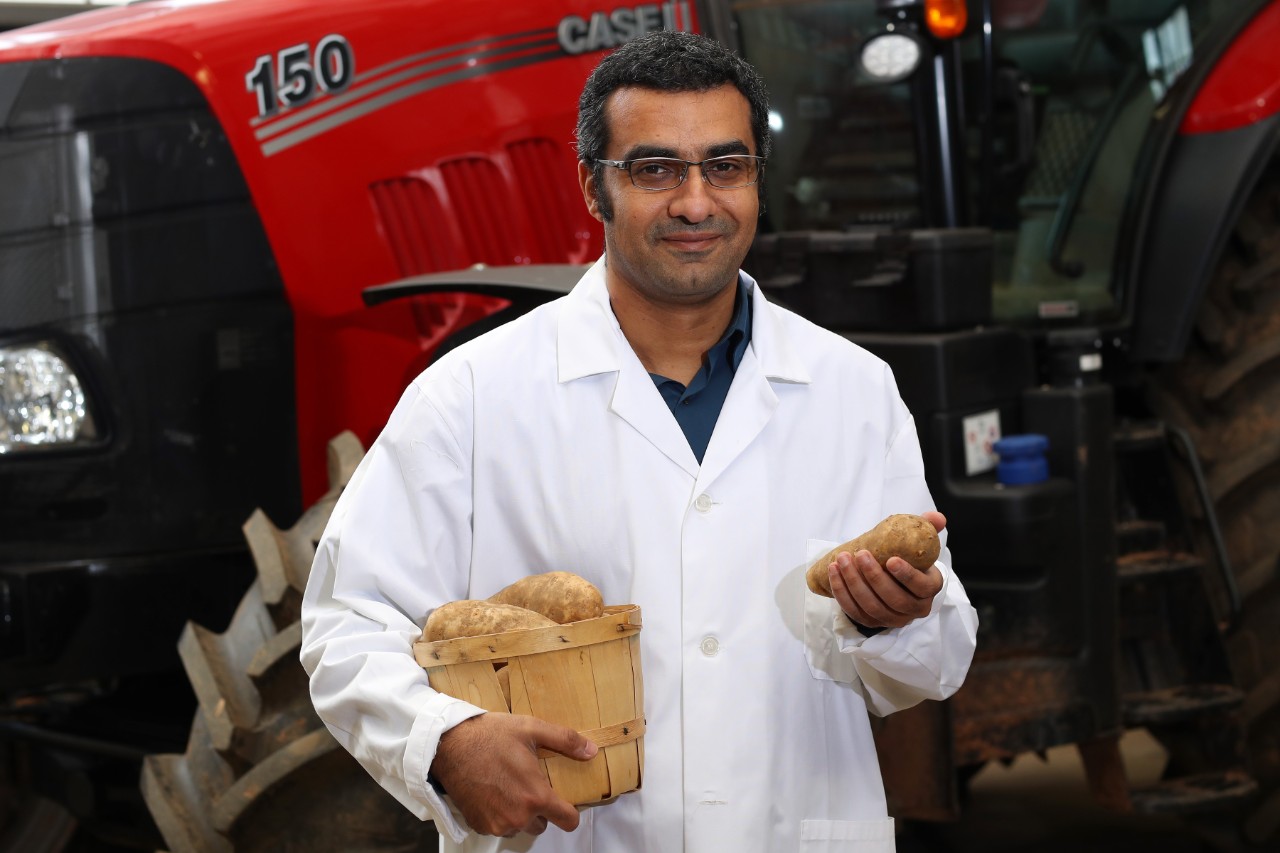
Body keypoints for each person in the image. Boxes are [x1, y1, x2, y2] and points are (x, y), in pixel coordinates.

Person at [300, 30, 978, 853]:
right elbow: (348, 618)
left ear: (758, 178)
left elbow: (939, 660)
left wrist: (891, 621)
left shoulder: (853, 391)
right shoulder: (470, 397)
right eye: (656, 170)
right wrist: (442, 740)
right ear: (594, 187)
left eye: (725, 166)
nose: (696, 203)